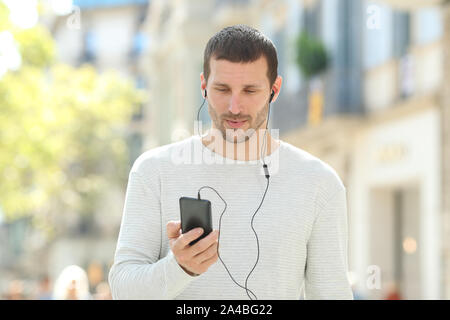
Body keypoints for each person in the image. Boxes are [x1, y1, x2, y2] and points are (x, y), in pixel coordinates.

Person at [108, 24, 353, 300]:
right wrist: (179, 268)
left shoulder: (320, 183)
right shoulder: (153, 171)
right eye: (223, 89)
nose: (235, 107)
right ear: (203, 86)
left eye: (250, 91)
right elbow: (122, 289)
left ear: (275, 89)